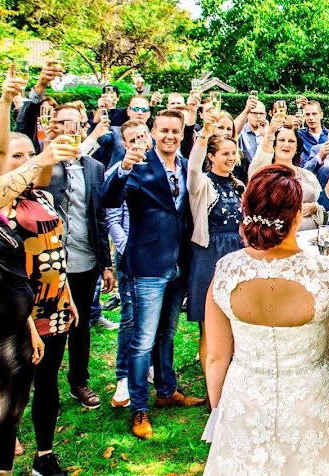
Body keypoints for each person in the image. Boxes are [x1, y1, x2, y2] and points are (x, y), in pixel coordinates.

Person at [202, 165, 329, 474]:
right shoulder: (328, 274)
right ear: (296, 216)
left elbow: (215, 356)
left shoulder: (225, 271)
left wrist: (219, 410)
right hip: (314, 404)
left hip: (246, 401)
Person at [101, 109, 205, 440]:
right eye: (164, 130)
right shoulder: (138, 164)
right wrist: (125, 167)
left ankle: (167, 389)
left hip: (178, 263)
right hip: (146, 262)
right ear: (153, 132)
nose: (171, 136)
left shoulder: (188, 165)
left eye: (176, 130)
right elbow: (109, 198)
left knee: (167, 333)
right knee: (142, 339)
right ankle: (139, 408)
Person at [0, 72, 76, 476]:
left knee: (47, 384)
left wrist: (69, 296)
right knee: (10, 392)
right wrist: (12, 102)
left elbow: (55, 251)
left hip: (55, 304)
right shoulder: (0, 207)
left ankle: (44, 455)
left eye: (31, 154)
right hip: (18, 314)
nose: (26, 161)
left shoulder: (42, 195)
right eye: (16, 156)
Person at [35, 104, 114, 411]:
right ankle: (44, 382)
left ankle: (79, 382)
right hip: (49, 265)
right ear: (52, 126)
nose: (69, 128)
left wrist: (106, 264)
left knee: (79, 326)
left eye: (75, 123)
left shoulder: (94, 167)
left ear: (84, 127)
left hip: (85, 260)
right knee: (50, 326)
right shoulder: (43, 166)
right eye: (61, 122)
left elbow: (99, 216)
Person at [187, 111, 245, 387]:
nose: (231, 158)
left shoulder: (237, 185)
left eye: (233, 153)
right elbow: (192, 169)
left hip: (236, 254)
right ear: (211, 156)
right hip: (209, 256)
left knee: (234, 322)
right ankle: (213, 389)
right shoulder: (202, 185)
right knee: (209, 327)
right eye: (224, 153)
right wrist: (204, 134)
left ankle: (230, 380)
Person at [106, 121, 148, 410]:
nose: (138, 142)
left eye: (142, 137)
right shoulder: (117, 173)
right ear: (123, 142)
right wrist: (129, 249)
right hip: (130, 253)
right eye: (132, 138)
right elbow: (112, 220)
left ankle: (146, 367)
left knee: (150, 317)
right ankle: (123, 375)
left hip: (154, 254)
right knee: (131, 316)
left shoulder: (155, 169)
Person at [248, 110, 322, 230]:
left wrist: (315, 208)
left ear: (297, 146)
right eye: (282, 140)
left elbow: (324, 205)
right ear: (274, 144)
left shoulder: (308, 175)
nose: (286, 145)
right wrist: (270, 132)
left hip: (309, 239)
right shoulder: (265, 173)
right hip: (277, 239)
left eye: (291, 141)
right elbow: (254, 172)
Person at [298, 99, 329, 166]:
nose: (311, 118)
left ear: (321, 115)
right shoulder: (299, 135)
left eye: (314, 114)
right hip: (306, 173)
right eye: (307, 114)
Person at [237, 99, 266, 168]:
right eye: (254, 113)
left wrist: (266, 135)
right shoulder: (241, 131)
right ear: (247, 114)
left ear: (265, 115)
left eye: (261, 113)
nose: (258, 116)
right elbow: (232, 131)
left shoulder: (268, 131)